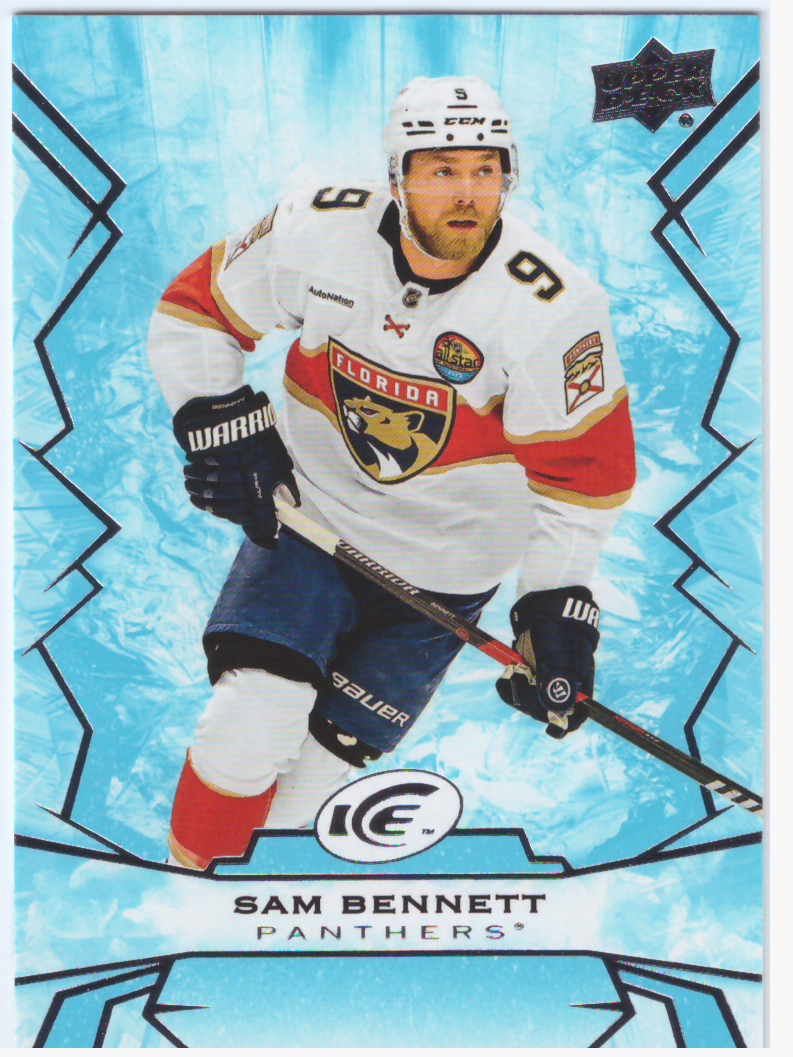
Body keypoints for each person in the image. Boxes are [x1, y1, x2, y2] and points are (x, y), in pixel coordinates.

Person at [147, 75, 636, 870]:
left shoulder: (553, 307)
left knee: (306, 802)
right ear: (396, 175)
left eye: (484, 169)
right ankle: (181, 896)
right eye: (441, 170)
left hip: (445, 581)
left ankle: (234, 907)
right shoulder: (316, 230)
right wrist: (225, 427)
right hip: (312, 525)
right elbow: (193, 313)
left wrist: (554, 607)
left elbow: (586, 479)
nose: (467, 193)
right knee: (249, 722)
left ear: (508, 175)